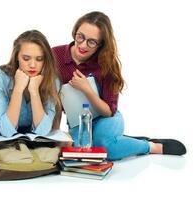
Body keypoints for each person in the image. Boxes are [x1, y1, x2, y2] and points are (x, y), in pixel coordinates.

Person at [52, 11, 186, 160]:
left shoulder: (107, 64)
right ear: (74, 32)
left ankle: (150, 146)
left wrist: (87, 90)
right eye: (80, 36)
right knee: (83, 153)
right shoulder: (54, 56)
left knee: (106, 149)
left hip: (105, 118)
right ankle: (120, 140)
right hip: (79, 122)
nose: (83, 45)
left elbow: (108, 111)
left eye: (91, 41)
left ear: (101, 44)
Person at [0, 30, 62, 177]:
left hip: (34, 136)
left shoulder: (52, 80)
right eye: (26, 58)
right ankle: (34, 160)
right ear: (17, 57)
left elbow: (42, 131)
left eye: (39, 59)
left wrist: (34, 90)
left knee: (68, 143)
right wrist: (18, 88)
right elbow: (6, 130)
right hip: (3, 133)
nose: (32, 65)